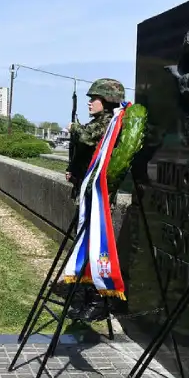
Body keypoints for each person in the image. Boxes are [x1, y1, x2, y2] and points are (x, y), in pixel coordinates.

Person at [63, 77, 126, 321]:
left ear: (108, 100)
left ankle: (98, 301)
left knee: (95, 248)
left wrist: (74, 128)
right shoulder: (99, 122)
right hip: (87, 191)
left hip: (99, 198)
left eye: (95, 98)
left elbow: (88, 139)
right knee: (85, 245)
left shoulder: (108, 123)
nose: (90, 102)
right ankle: (86, 296)